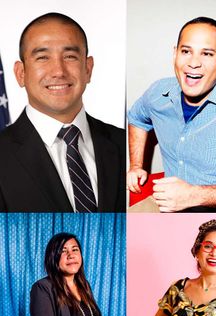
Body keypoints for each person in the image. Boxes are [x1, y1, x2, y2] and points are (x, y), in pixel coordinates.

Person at [0, 13, 125, 212]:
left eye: (70, 56)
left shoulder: (122, 143)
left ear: (88, 69)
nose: (58, 71)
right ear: (21, 73)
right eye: (42, 57)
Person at [127, 17, 216, 212]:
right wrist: (136, 165)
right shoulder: (158, 92)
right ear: (175, 53)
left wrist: (193, 195)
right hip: (163, 204)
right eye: (186, 51)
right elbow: (136, 118)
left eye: (207, 54)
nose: (194, 63)